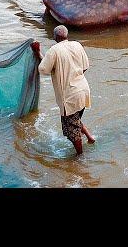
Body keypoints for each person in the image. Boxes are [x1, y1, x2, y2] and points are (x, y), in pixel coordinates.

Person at [31, 25, 95, 155]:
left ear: (55, 37)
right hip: (83, 89)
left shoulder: (54, 50)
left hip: (69, 95)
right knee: (75, 118)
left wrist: (37, 52)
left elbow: (43, 69)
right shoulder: (77, 45)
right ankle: (90, 137)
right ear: (67, 35)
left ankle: (79, 157)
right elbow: (85, 66)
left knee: (71, 130)